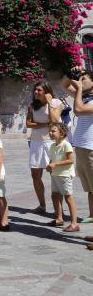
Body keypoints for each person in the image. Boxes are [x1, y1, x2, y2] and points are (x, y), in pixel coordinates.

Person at [25, 81, 62, 214]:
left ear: (46, 91)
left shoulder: (56, 103)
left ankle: (59, 209)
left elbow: (55, 120)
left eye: (39, 90)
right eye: (35, 90)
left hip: (51, 142)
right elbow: (28, 123)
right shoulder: (32, 106)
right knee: (35, 174)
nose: (36, 92)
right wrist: (43, 124)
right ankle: (42, 205)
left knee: (55, 174)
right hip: (36, 142)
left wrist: (50, 103)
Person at [63, 69, 93, 224]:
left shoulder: (86, 100)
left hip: (91, 148)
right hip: (81, 146)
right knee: (89, 186)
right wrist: (71, 73)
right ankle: (92, 215)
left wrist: (79, 88)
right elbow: (64, 85)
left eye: (84, 79)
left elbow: (78, 110)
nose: (80, 81)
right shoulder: (85, 98)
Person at [46, 122, 79, 232]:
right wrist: (50, 165)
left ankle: (74, 223)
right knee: (55, 195)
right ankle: (59, 218)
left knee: (68, 197)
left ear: (62, 133)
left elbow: (71, 160)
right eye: (50, 131)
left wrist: (55, 164)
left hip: (65, 175)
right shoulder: (53, 145)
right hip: (55, 175)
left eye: (53, 131)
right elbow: (53, 159)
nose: (50, 133)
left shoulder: (66, 145)